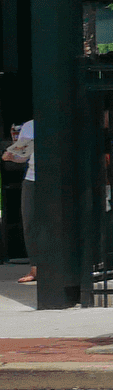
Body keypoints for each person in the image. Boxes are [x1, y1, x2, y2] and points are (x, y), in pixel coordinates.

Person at [8, 116, 32, 284]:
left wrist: (9, 156)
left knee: (31, 224)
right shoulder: (30, 127)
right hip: (36, 177)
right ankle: (37, 267)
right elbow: (22, 155)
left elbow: (20, 156)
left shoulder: (31, 126)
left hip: (35, 178)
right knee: (33, 224)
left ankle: (37, 268)